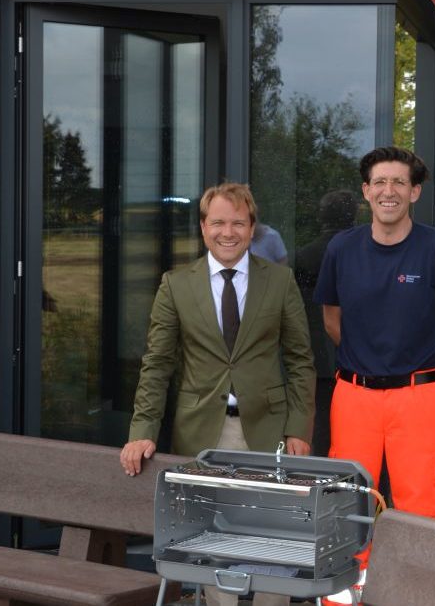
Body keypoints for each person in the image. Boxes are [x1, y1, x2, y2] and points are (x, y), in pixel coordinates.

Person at [120, 182, 316, 606]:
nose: (228, 232)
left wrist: (299, 427)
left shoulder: (279, 281)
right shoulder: (176, 285)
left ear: (252, 228)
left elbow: (301, 360)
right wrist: (142, 429)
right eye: (219, 222)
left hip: (269, 434)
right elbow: (157, 364)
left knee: (272, 545)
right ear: (204, 227)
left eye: (238, 223)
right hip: (203, 433)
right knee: (213, 546)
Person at [314, 146, 435, 604]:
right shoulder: (342, 248)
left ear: (415, 192)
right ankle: (343, 597)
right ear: (366, 191)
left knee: (420, 507)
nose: (389, 191)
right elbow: (331, 320)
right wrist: (370, 363)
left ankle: (413, 596)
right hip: (354, 395)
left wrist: (412, 365)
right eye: (379, 182)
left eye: (399, 182)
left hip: (417, 398)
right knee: (348, 505)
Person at [294, 190, 358, 456]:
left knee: (321, 430)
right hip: (359, 361)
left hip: (316, 352)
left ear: (321, 216)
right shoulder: (364, 254)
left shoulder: (303, 257)